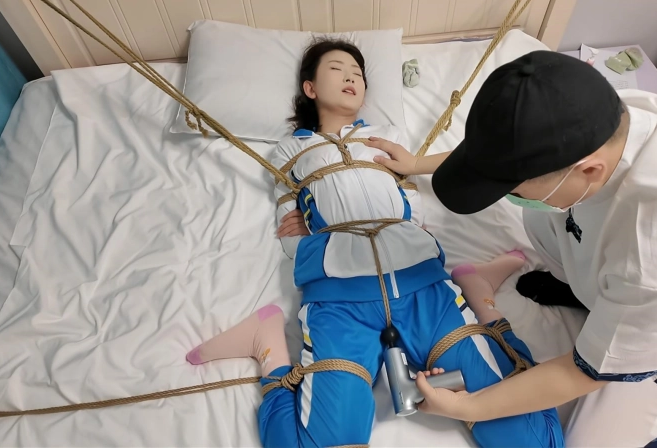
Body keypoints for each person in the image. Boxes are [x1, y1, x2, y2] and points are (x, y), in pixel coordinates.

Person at [365, 49, 657, 447]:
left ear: (589, 169)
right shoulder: (596, 113)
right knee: (541, 216)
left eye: (515, 189)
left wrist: (469, 406)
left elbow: (582, 372)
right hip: (649, 276)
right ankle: (589, 292)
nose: (512, 197)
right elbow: (501, 152)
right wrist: (416, 164)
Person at [185, 39, 564, 447]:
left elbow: (411, 202)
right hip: (340, 303)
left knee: (530, 439)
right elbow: (288, 218)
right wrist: (306, 243)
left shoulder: (386, 137)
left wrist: (410, 227)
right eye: (337, 68)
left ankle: (480, 298)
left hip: (425, 292)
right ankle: (268, 344)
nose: (351, 77)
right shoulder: (290, 149)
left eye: (358, 73)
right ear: (310, 88)